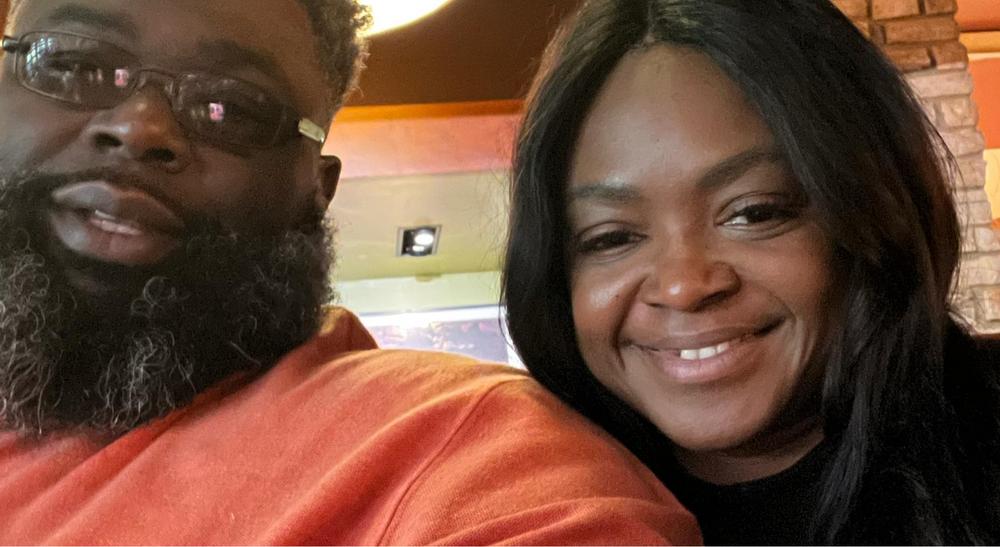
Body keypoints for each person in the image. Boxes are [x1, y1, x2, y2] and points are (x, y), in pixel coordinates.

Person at [0, 0, 703, 544]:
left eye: (229, 107)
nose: (140, 127)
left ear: (318, 189)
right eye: (72, 66)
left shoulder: (458, 448)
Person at [502, 0, 1000, 544]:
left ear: (877, 207)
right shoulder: (530, 505)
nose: (683, 287)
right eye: (611, 238)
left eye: (754, 213)